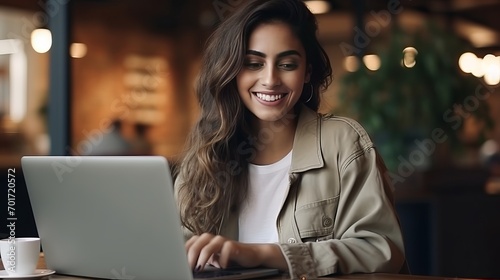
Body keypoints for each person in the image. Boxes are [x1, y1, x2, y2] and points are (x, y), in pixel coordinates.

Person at [173, 0, 406, 279]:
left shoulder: (343, 142)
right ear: (232, 71)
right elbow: (174, 252)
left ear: (307, 71)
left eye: (287, 64)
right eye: (253, 63)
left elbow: (381, 250)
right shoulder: (204, 156)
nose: (270, 79)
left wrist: (259, 253)